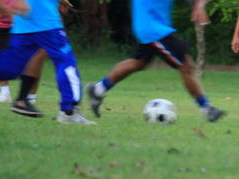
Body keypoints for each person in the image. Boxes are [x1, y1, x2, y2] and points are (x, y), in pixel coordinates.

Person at [86, 0, 226, 122]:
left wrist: (198, 5)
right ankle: (207, 108)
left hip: (149, 26)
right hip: (155, 29)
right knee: (186, 65)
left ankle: (98, 89)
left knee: (137, 63)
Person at [0, 0, 95, 124]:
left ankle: (65, 110)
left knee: (9, 68)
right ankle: (69, 111)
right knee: (66, 62)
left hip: (23, 24)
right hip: (45, 22)